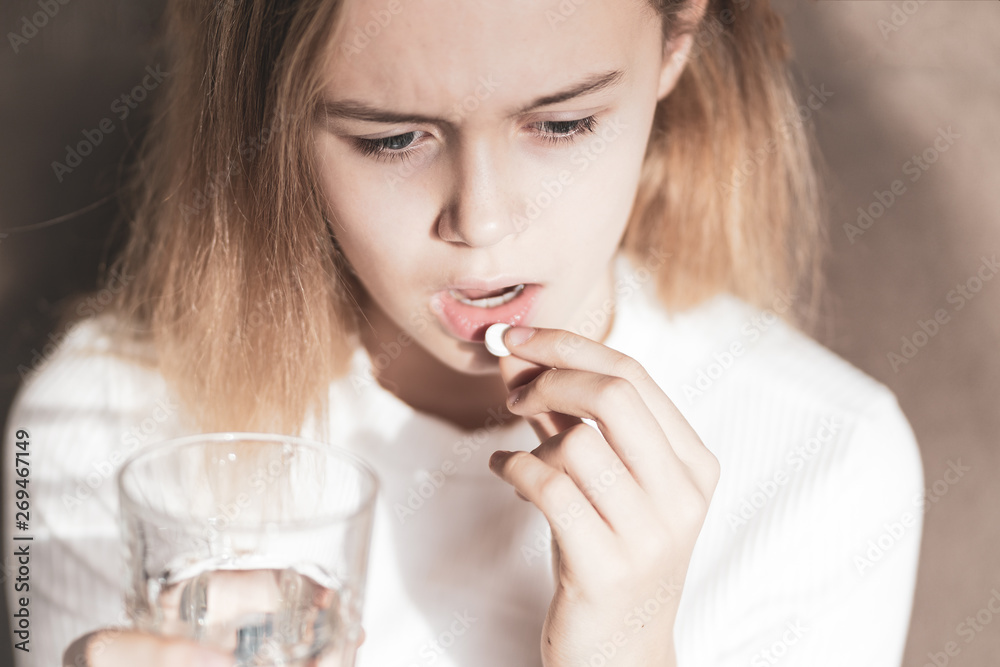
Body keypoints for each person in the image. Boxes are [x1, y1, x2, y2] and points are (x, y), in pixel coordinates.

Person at [2, 0, 925, 665]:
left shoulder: (828, 457)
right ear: (271, 113)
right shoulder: (97, 430)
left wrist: (629, 652)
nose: (482, 224)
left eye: (562, 124)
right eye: (391, 139)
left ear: (677, 38)